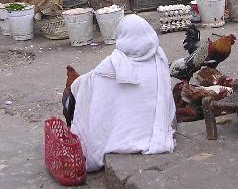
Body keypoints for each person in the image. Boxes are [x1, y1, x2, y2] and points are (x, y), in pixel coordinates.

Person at [70, 14, 176, 172]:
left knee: (82, 86)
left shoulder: (112, 65)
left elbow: (95, 99)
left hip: (118, 137)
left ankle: (105, 140)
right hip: (155, 135)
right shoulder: (159, 58)